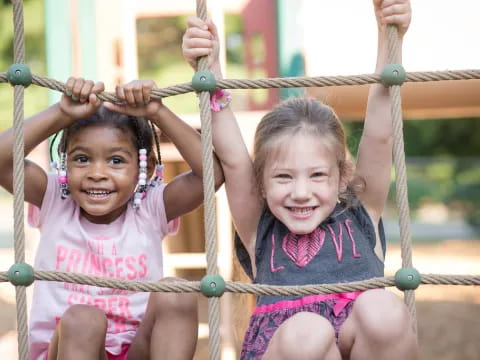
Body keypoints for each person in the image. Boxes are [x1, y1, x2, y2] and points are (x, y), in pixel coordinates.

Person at [182, 0, 418, 359]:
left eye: (318, 175)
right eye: (283, 177)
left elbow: (380, 133)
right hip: (291, 348)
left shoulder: (360, 214)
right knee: (309, 331)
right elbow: (231, 155)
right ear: (261, 182)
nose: (301, 193)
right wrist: (210, 71)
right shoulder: (259, 227)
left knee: (383, 308)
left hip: (360, 346)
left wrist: (390, 37)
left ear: (343, 178)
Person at [0, 77, 224, 360]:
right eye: (82, 159)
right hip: (67, 349)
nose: (97, 173)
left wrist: (158, 112)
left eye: (116, 161)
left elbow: (212, 176)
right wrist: (62, 113)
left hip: (136, 350)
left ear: (145, 167)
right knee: (85, 320)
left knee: (176, 291)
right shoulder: (55, 198)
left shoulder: (150, 207)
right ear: (64, 163)